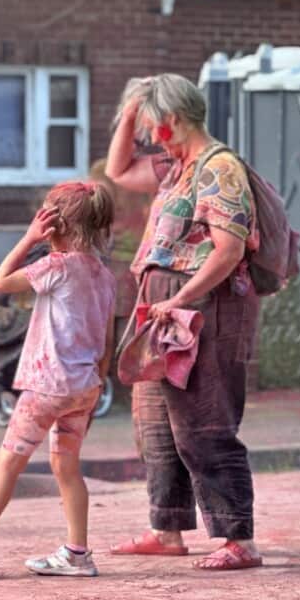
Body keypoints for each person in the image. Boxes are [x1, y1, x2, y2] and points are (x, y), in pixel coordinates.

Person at [104, 74, 263, 571]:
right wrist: (131, 107)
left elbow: (228, 250)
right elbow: (117, 169)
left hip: (204, 309)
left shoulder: (219, 168)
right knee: (154, 422)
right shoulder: (175, 167)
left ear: (172, 120)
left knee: (204, 423)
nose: (147, 133)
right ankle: (166, 527)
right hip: (165, 310)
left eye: (151, 122)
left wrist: (184, 299)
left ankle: (238, 537)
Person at [0, 181, 116, 577]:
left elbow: (0, 281)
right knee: (67, 466)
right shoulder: (103, 274)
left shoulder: (57, 266)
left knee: (8, 463)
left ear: (54, 224)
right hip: (84, 385)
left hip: (47, 384)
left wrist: (29, 238)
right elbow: (107, 339)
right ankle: (77, 553)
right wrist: (97, 384)